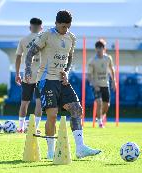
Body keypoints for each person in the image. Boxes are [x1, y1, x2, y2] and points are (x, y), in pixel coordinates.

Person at [25, 10, 101, 159]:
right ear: (56, 23)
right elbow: (30, 53)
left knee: (77, 109)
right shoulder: (46, 35)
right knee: (52, 115)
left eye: (68, 27)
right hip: (46, 80)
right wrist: (27, 69)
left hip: (62, 81)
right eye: (62, 27)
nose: (65, 30)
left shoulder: (71, 38)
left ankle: (80, 148)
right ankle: (51, 152)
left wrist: (66, 71)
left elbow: (70, 58)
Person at [15, 18, 43, 133]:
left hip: (27, 76)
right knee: (39, 102)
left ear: (30, 27)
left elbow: (18, 57)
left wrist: (17, 74)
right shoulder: (44, 39)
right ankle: (35, 128)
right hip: (41, 75)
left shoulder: (23, 40)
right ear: (41, 28)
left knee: (24, 102)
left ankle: (21, 127)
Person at [87, 39, 116, 128]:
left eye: (101, 47)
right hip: (96, 85)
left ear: (104, 48)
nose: (99, 49)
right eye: (98, 48)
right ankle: (100, 122)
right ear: (96, 49)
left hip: (105, 84)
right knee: (99, 102)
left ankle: (99, 116)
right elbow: (89, 75)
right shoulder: (92, 60)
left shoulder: (108, 58)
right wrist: (94, 84)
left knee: (107, 105)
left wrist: (114, 81)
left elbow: (111, 69)